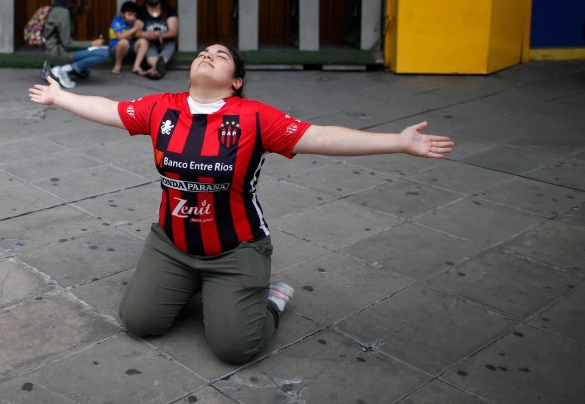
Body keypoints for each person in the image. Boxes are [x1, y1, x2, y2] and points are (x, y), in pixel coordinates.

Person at [28, 44, 454, 363]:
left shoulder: (254, 116)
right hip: (171, 244)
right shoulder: (161, 108)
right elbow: (108, 108)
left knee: (236, 347)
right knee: (140, 323)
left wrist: (397, 142)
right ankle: (194, 283)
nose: (208, 55)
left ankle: (270, 298)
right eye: (204, 52)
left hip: (236, 249)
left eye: (221, 54)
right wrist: (58, 97)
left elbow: (321, 137)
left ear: (236, 81)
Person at [42, 0, 109, 89]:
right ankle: (62, 70)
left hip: (56, 50)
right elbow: (67, 43)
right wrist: (92, 43)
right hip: (58, 53)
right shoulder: (63, 12)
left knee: (85, 73)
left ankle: (56, 67)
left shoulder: (61, 8)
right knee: (104, 53)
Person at [132, 0, 178, 79]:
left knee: (166, 53)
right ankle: (157, 69)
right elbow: (136, 32)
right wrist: (148, 34)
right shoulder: (141, 11)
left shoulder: (169, 10)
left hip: (167, 42)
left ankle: (154, 70)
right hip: (149, 42)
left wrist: (161, 35)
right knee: (150, 54)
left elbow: (174, 31)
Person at [108, 0, 144, 74]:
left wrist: (139, 26)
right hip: (116, 48)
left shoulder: (135, 22)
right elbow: (120, 36)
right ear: (122, 14)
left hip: (130, 48)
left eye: (134, 15)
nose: (132, 18)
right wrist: (135, 28)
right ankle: (117, 66)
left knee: (143, 41)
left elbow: (138, 36)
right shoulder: (117, 21)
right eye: (130, 15)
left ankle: (136, 66)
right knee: (123, 42)